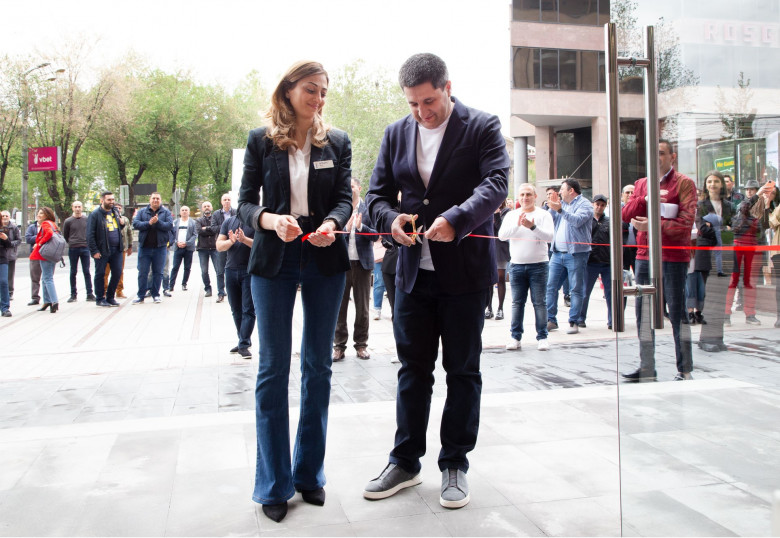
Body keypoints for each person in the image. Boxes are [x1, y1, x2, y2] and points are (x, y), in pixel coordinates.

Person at [363, 53, 509, 509]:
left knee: (462, 370)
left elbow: (497, 183)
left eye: (429, 101)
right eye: (413, 104)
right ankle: (405, 461)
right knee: (413, 370)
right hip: (412, 273)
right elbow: (375, 196)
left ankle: (455, 464)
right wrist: (390, 220)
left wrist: (457, 218)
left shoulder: (482, 126)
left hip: (465, 273)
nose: (422, 112)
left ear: (448, 87)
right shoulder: (395, 133)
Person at [237, 60, 352, 523]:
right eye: (310, 89)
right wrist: (269, 220)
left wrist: (332, 223)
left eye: (323, 91)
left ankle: (309, 474)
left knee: (318, 367)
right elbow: (245, 203)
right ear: (288, 90)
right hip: (274, 258)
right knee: (272, 368)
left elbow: (344, 199)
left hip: (324, 255)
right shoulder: (260, 140)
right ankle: (273, 483)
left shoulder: (337, 141)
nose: (318, 99)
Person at [621, 139, 697, 381]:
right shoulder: (642, 184)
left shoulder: (684, 183)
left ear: (672, 157)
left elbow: (686, 222)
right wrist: (644, 198)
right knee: (643, 313)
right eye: (653, 153)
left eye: (661, 153)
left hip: (673, 255)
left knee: (677, 311)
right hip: (645, 255)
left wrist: (653, 225)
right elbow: (625, 214)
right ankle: (647, 367)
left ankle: (685, 369)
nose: (657, 157)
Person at [498, 183, 554, 351]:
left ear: (535, 197)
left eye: (528, 194)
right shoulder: (511, 215)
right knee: (517, 303)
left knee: (539, 302)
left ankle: (542, 337)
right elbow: (502, 236)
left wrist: (533, 227)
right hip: (516, 265)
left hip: (539, 265)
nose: (525, 198)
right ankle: (515, 337)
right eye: (522, 194)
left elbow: (549, 237)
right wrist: (518, 224)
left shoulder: (544, 214)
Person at [333, 179, 377, 362]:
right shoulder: (340, 209)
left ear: (359, 188)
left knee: (363, 308)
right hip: (342, 265)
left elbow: (376, 235)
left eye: (352, 186)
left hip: (362, 265)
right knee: (339, 307)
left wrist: (360, 227)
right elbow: (331, 235)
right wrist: (346, 229)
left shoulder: (368, 210)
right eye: (347, 186)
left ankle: (361, 345)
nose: (349, 189)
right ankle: (338, 346)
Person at [545, 178, 593, 334]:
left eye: (562, 189)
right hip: (557, 254)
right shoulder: (562, 204)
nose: (559, 192)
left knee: (576, 289)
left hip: (576, 254)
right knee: (551, 286)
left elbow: (577, 221)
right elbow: (550, 221)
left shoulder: (585, 204)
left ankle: (574, 321)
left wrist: (560, 210)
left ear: (571, 190)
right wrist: (552, 208)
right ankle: (551, 320)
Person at [689, 171, 731, 326]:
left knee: (720, 285)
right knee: (702, 283)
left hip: (724, 250)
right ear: (706, 185)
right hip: (704, 249)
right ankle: (697, 312)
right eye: (709, 182)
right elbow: (702, 229)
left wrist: (713, 226)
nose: (713, 184)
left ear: (722, 184)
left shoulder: (729, 205)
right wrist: (722, 228)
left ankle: (718, 315)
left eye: (716, 181)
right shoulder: (700, 205)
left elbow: (733, 227)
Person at [216, 212, 255, 359]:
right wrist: (231, 241)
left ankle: (243, 344)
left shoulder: (255, 221)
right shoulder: (229, 222)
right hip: (230, 270)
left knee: (248, 309)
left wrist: (244, 239)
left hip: (249, 271)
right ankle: (242, 340)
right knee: (236, 310)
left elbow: (260, 245)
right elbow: (219, 246)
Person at [725, 180, 762, 326]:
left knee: (747, 282)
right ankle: (728, 314)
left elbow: (761, 233)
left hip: (749, 249)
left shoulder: (756, 212)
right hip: (740, 248)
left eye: (752, 189)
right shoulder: (741, 209)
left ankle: (748, 314)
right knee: (734, 281)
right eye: (748, 189)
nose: (749, 191)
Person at [578, 194, 613, 329]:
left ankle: (612, 320)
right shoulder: (587, 220)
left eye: (602, 205)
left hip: (607, 262)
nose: (599, 207)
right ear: (593, 204)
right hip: (590, 262)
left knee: (610, 293)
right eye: (597, 204)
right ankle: (580, 318)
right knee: (585, 292)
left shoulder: (610, 221)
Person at [132, 192, 173, 304]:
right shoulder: (142, 212)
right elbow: (135, 224)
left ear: (160, 200)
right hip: (144, 247)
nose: (155, 200)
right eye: (153, 198)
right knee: (143, 272)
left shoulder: (166, 212)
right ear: (150, 200)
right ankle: (140, 295)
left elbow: (169, 225)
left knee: (158, 272)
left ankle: (156, 294)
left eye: (157, 199)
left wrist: (158, 222)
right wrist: (149, 223)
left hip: (160, 248)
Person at [86, 191, 126, 307]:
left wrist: (122, 224)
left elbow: (117, 227)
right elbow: (90, 234)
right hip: (102, 250)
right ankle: (100, 298)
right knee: (100, 274)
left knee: (117, 272)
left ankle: (110, 297)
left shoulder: (115, 211)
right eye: (109, 200)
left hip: (117, 249)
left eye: (113, 199)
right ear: (102, 200)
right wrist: (94, 251)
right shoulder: (95, 215)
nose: (111, 202)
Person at [62, 201, 95, 303]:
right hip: (73, 248)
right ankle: (73, 295)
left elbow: (91, 232)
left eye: (79, 207)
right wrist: (71, 242)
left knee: (86, 271)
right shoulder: (68, 221)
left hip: (85, 247)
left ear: (82, 207)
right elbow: (65, 235)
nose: (77, 209)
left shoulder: (87, 219)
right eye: (75, 207)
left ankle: (89, 294)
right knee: (73, 271)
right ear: (72, 208)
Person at [29, 207, 60, 313]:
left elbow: (49, 234)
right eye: (38, 213)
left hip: (46, 254)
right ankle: (47, 301)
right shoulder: (53, 224)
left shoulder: (46, 223)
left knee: (47, 278)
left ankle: (54, 301)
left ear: (47, 215)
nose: (39, 215)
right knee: (45, 278)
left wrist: (39, 243)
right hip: (52, 253)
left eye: (41, 213)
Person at [486, 200, 511, 320]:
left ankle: (500, 309)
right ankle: (489, 308)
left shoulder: (507, 212)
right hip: (488, 247)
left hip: (500, 249)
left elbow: (501, 231)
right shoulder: (487, 210)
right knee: (489, 280)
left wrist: (496, 214)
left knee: (500, 279)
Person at [196, 201, 224, 301]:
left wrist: (207, 228)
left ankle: (221, 290)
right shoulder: (198, 220)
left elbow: (217, 229)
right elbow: (199, 231)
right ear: (202, 208)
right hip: (202, 249)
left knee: (219, 270)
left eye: (208, 206)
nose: (207, 207)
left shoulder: (215, 219)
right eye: (205, 206)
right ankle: (208, 289)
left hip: (215, 248)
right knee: (204, 271)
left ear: (211, 208)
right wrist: (211, 229)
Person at [105, 203, 133, 299]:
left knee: (119, 271)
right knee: (105, 271)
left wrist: (130, 245)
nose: (118, 209)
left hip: (121, 249)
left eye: (119, 208)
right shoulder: (108, 218)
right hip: (108, 249)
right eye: (116, 208)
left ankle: (119, 290)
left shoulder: (125, 220)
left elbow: (129, 232)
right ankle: (104, 290)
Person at [167, 206, 197, 293]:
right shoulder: (175, 222)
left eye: (186, 210)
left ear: (189, 212)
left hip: (188, 248)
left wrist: (187, 243)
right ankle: (171, 285)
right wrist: (177, 242)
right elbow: (171, 234)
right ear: (180, 212)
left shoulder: (193, 222)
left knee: (187, 267)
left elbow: (195, 234)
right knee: (175, 267)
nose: (184, 212)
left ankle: (184, 284)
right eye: (182, 210)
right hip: (178, 247)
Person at [212, 193, 235, 303]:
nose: (227, 201)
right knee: (220, 270)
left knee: (234, 268)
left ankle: (233, 292)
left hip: (234, 244)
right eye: (225, 199)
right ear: (221, 202)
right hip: (222, 243)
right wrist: (226, 226)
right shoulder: (216, 214)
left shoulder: (236, 212)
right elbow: (213, 228)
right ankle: (221, 292)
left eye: (228, 199)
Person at [0, 210, 19, 317]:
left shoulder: (4, 229)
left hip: (2, 258)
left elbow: (8, 245)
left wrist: (6, 239)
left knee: (4, 282)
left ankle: (5, 308)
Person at [25, 220, 41, 306]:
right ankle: (35, 297)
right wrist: (41, 236)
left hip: (47, 254)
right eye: (39, 215)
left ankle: (48, 298)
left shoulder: (50, 225)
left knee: (47, 278)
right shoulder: (32, 227)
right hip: (35, 254)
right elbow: (28, 239)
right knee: (34, 277)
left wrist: (37, 238)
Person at [372, 238, 386, 320]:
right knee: (379, 284)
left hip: (394, 254)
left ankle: (395, 310)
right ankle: (377, 309)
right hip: (379, 256)